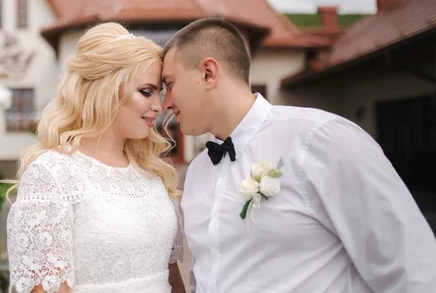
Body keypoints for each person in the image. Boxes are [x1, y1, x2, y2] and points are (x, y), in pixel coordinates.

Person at [161, 17, 436, 292]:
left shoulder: (322, 140)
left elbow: (411, 268)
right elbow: (205, 276)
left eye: (169, 84)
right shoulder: (197, 172)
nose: (165, 103)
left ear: (208, 73)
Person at [7, 22, 186, 293]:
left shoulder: (152, 173)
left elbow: (170, 274)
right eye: (146, 92)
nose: (159, 106)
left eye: (159, 93)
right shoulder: (52, 174)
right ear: (107, 89)